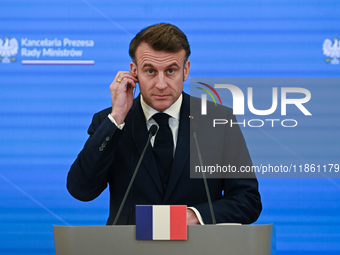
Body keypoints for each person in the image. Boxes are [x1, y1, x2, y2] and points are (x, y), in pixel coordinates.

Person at [67, 23, 262, 225]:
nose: (161, 84)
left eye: (170, 71)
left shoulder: (219, 121)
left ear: (185, 70)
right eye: (150, 71)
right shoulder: (109, 122)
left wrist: (194, 216)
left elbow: (247, 200)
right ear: (134, 72)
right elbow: (81, 190)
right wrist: (116, 118)